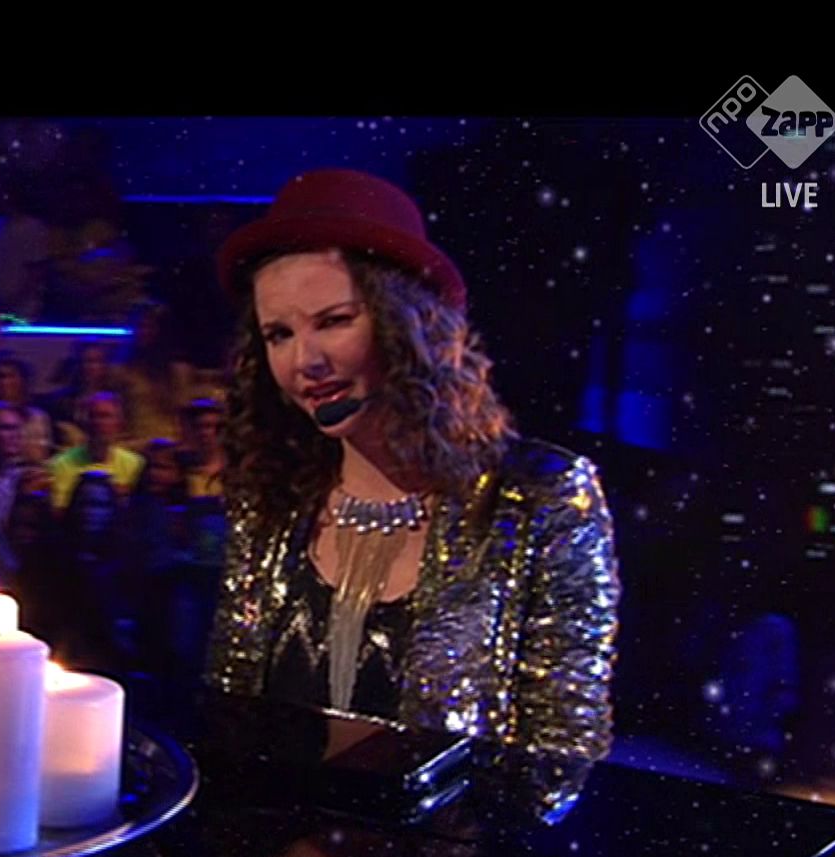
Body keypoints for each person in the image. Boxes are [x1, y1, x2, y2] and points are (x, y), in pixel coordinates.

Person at [204, 169, 619, 760]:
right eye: (279, 334)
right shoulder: (271, 500)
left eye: (333, 321)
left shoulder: (543, 500)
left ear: (409, 322)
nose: (305, 361)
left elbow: (562, 753)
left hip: (459, 824)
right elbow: (229, 715)